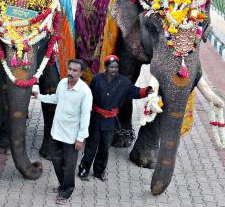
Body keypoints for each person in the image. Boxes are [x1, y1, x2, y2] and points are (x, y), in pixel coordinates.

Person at [77, 55, 152, 181]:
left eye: (116, 67)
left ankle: (99, 172)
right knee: (91, 147)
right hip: (95, 119)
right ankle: (83, 170)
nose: (114, 69)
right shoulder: (97, 79)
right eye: (111, 67)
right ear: (106, 67)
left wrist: (147, 91)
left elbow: (135, 91)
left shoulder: (124, 82)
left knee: (104, 148)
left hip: (110, 122)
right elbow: (89, 96)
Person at [33, 59, 92, 204]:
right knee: (55, 159)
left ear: (81, 73)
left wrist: (81, 138)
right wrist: (39, 97)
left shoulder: (85, 92)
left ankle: (66, 192)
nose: (71, 73)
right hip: (56, 131)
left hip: (72, 136)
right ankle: (62, 185)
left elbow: (86, 116)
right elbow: (55, 99)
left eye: (75, 71)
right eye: (70, 69)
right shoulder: (62, 83)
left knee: (70, 165)